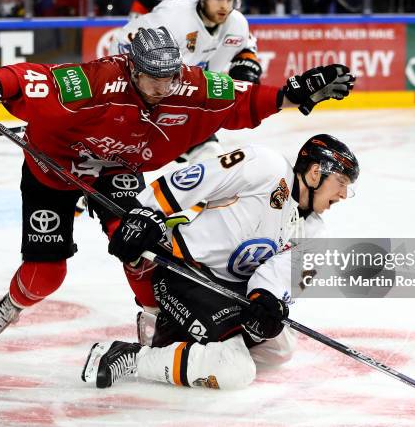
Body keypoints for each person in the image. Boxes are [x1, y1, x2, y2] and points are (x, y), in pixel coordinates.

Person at [0, 26, 356, 342]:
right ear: (132, 69)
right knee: (45, 273)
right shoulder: (98, 80)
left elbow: (243, 99)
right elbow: (35, 79)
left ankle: (154, 318)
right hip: (56, 163)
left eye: (170, 77)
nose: (164, 88)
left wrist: (292, 93)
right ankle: (13, 304)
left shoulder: (188, 86)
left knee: (141, 241)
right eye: (154, 80)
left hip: (117, 169)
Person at [81, 134, 359, 389]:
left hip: (227, 289)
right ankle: (132, 358)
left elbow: (278, 277)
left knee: (280, 348)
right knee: (235, 370)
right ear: (315, 173)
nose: (344, 195)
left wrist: (267, 301)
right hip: (184, 270)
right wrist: (145, 211)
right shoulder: (267, 166)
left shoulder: (315, 232)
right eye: (341, 184)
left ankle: (180, 341)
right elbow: (198, 179)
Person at [112, 0, 264, 163]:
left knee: (211, 156)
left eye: (229, 0)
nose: (224, 6)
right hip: (146, 102)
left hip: (186, 105)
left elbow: (246, 46)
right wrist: (139, 88)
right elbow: (124, 40)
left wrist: (246, 70)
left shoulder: (236, 23)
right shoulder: (173, 15)